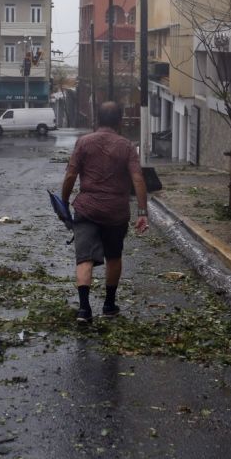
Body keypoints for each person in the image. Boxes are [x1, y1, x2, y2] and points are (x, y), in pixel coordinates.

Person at [61, 101, 148, 324]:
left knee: (84, 258)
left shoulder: (83, 142)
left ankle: (84, 309)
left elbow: (70, 175)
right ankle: (109, 305)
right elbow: (138, 178)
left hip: (87, 208)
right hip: (116, 212)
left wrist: (63, 202)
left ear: (97, 120)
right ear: (119, 121)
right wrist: (142, 212)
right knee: (114, 256)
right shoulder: (127, 146)